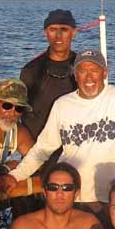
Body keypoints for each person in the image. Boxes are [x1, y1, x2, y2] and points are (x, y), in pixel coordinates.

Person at [0, 50, 115, 223]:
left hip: (112, 198)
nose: (89, 77)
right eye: (83, 71)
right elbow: (43, 149)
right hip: (73, 198)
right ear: (75, 75)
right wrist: (16, 175)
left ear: (105, 73)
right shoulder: (62, 104)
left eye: (94, 70)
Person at [20, 9, 78, 140]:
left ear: (73, 33)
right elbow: (21, 113)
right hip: (39, 147)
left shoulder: (84, 68)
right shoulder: (31, 70)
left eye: (64, 29)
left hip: (77, 145)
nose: (58, 35)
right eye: (53, 30)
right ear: (45, 33)